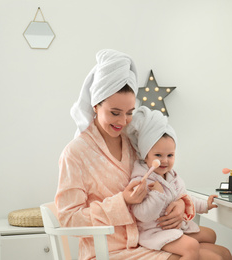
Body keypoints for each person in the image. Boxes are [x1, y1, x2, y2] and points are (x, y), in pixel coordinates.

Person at [55, 49, 189, 260]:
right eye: (114, 113)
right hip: (105, 252)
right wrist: (122, 201)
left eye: (129, 113)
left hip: (145, 240)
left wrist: (180, 203)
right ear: (96, 105)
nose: (122, 122)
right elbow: (69, 219)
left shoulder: (133, 142)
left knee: (219, 254)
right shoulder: (76, 153)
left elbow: (164, 178)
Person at [127, 106, 232, 260]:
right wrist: (157, 194)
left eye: (170, 155)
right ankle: (186, 250)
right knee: (191, 246)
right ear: (145, 155)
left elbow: (184, 197)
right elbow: (142, 215)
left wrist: (205, 205)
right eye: (158, 155)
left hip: (175, 227)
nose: (165, 160)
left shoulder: (171, 177)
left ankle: (185, 246)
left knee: (210, 234)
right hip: (154, 232)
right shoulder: (142, 180)